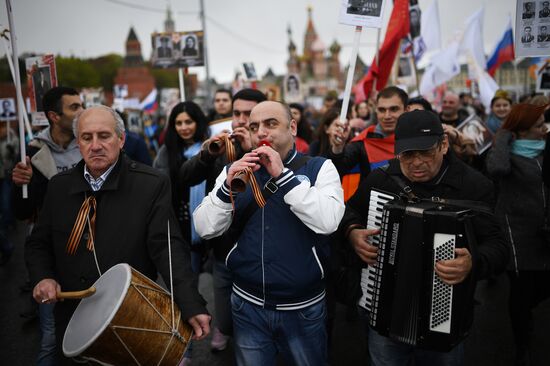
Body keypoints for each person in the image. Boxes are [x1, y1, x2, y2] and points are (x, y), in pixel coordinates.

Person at [25, 105, 210, 365]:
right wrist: (43, 277)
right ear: (78, 142)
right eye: (87, 138)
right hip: (72, 316)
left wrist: (191, 304)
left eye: (104, 136)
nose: (96, 145)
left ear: (121, 140)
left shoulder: (151, 183)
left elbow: (167, 249)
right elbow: (38, 244)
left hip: (128, 315)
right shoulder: (59, 186)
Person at [341, 110, 508, 366]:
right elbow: (348, 211)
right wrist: (352, 232)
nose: (416, 162)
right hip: (386, 310)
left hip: (446, 317)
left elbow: (498, 246)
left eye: (425, 152)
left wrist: (473, 262)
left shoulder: (475, 186)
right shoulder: (383, 180)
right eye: (407, 154)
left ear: (443, 145)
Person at [194, 101, 345, 365]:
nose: (261, 132)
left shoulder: (320, 167)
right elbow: (204, 228)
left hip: (303, 308)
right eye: (254, 127)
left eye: (271, 124)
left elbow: (328, 221)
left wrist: (283, 177)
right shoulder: (232, 170)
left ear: (293, 127)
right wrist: (225, 189)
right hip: (247, 305)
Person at [178, 88, 267, 352]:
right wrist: (206, 154)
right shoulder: (222, 141)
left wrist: (253, 149)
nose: (240, 120)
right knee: (226, 320)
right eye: (236, 113)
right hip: (224, 250)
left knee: (257, 328)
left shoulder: (273, 147)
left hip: (260, 251)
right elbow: (185, 177)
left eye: (248, 114)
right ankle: (226, 332)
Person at [486, 103, 550, 366]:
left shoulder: (547, 150)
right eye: (538, 126)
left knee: (543, 285)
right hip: (517, 235)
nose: (544, 129)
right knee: (521, 294)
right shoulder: (506, 154)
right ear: (522, 131)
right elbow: (497, 170)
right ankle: (522, 345)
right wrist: (502, 136)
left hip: (545, 232)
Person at [153, 101, 209, 273]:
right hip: (179, 226)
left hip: (208, 222)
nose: (184, 127)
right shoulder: (166, 152)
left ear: (198, 122)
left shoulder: (211, 148)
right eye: (179, 123)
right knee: (187, 280)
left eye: (188, 122)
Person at [328, 86, 408, 200]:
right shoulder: (363, 142)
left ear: (406, 109)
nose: (387, 116)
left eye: (394, 109)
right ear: (375, 110)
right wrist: (337, 148)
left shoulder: (420, 140)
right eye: (382, 110)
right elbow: (336, 170)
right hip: (373, 212)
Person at [0, 122, 18, 265]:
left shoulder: (10, 137)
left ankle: (9, 223)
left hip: (5, 176)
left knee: (6, 204)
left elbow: (16, 154)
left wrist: (12, 151)